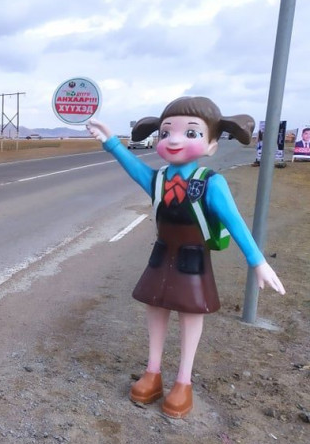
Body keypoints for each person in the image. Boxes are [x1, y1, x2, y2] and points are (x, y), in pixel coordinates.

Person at [86, 96, 285, 419]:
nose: (174, 140)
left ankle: (183, 381)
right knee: (155, 305)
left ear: (211, 145)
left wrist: (257, 261)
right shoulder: (159, 179)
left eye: (191, 133)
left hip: (193, 259)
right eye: (166, 133)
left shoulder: (212, 183)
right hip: (161, 253)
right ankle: (152, 372)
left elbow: (235, 222)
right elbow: (134, 168)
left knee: (191, 312)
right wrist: (111, 142)